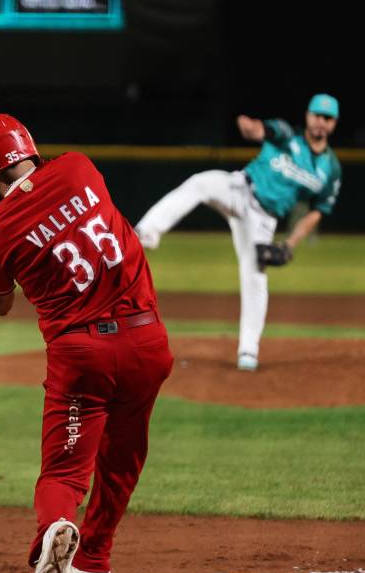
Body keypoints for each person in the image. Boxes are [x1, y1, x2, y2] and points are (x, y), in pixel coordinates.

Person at [0, 114, 174, 573]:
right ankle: (93, 563)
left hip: (83, 358)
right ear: (28, 146)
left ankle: (55, 529)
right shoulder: (80, 168)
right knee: (122, 458)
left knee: (65, 472)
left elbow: (0, 303)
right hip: (147, 343)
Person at [134, 93, 343, 371]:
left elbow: (317, 210)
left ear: (334, 123)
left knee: (255, 279)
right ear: (307, 116)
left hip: (263, 220)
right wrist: (251, 128)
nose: (321, 122)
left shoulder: (330, 169)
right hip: (240, 189)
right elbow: (261, 129)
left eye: (327, 118)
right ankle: (146, 234)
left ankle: (248, 351)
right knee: (201, 183)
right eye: (317, 115)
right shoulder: (286, 135)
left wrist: (291, 243)